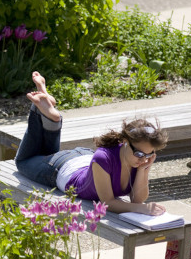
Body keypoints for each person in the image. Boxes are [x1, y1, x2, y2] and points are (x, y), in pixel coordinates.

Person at [15, 72, 168, 215]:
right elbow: (108, 203)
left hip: (84, 159)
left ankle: (49, 113)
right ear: (125, 142)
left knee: (43, 154)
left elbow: (137, 199)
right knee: (23, 161)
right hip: (60, 168)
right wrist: (143, 209)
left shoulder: (137, 159)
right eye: (140, 154)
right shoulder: (104, 158)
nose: (143, 159)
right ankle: (40, 109)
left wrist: (144, 169)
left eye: (149, 154)